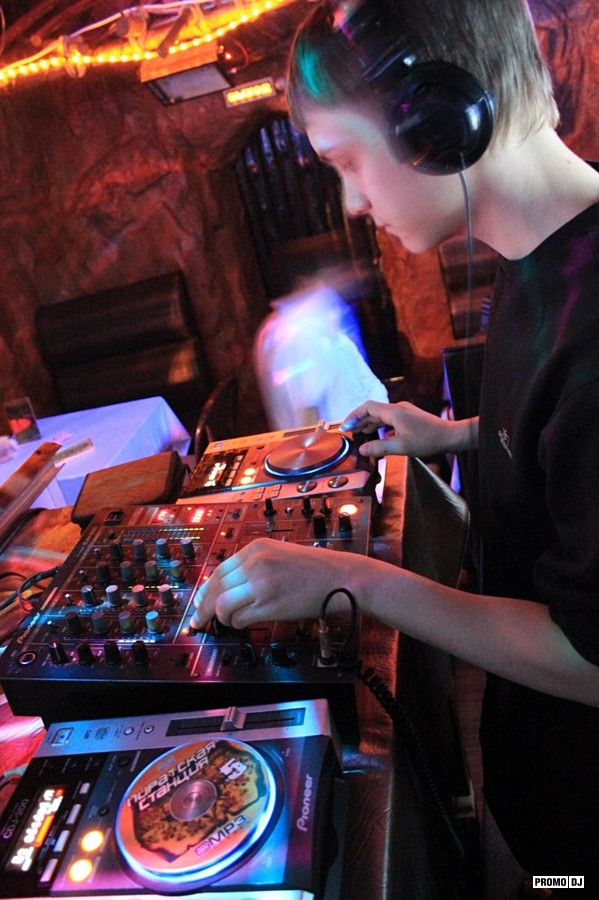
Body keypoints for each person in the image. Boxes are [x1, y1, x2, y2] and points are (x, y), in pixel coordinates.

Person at [192, 0, 599, 891]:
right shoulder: (541, 251)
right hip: (536, 773)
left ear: (438, 123)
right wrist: (454, 434)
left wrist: (359, 581)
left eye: (345, 160)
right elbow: (564, 456)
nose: (350, 201)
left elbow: (590, 656)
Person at [254, 268, 388, 429]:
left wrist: (379, 421)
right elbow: (308, 407)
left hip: (362, 433)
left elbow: (370, 384)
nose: (337, 310)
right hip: (337, 438)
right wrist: (314, 442)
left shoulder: (340, 342)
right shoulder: (298, 339)